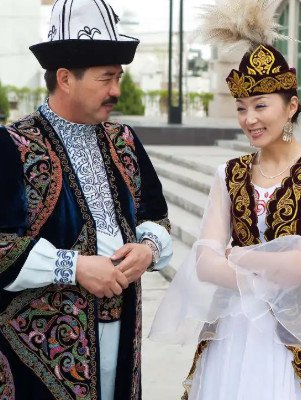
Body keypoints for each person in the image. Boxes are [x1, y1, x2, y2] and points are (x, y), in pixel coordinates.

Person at [149, 1, 301, 399]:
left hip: (293, 335)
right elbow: (205, 260)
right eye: (242, 108)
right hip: (232, 333)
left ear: (291, 106)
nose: (249, 119)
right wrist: (275, 268)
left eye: (261, 106)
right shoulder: (229, 173)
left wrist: (241, 257)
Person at [0, 1, 173, 399]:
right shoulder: (13, 146)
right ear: (64, 78)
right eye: (106, 78)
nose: (116, 91)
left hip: (122, 333)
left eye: (119, 77)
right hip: (41, 354)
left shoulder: (124, 141)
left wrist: (147, 249)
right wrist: (74, 267)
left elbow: (157, 219)